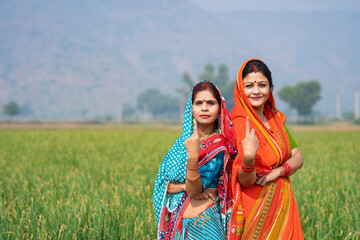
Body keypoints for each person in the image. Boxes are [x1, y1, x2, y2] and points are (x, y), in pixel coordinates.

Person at [229, 59, 304, 239]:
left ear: (270, 88)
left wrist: (278, 171)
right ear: (240, 89)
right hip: (254, 208)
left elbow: (298, 157)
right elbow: (245, 181)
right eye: (249, 85)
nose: (256, 91)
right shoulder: (237, 124)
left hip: (284, 207)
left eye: (262, 85)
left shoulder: (275, 119)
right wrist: (248, 159)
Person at [153, 81, 236, 240]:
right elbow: (164, 184)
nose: (204, 108)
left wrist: (192, 157)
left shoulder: (218, 145)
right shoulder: (181, 143)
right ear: (191, 109)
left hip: (205, 226)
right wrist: (185, 185)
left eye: (210, 103)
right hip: (178, 226)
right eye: (199, 103)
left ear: (219, 109)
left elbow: (195, 190)